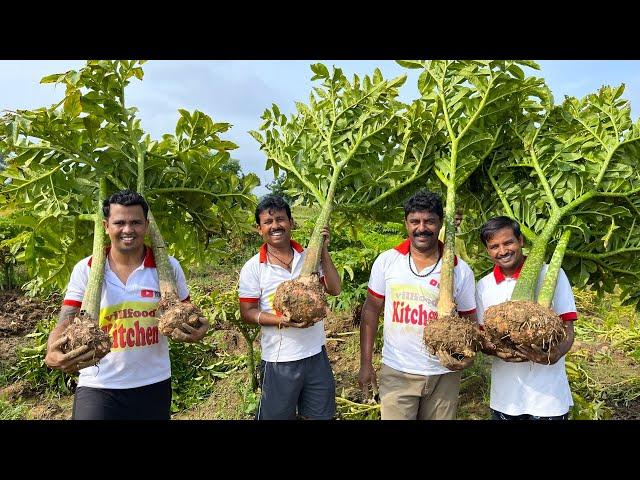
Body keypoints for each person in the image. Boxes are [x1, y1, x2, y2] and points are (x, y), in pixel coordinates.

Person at [44, 190, 209, 420]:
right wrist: (51, 349)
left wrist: (201, 327)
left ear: (147, 225)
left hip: (153, 382)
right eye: (119, 222)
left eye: (136, 222)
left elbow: (187, 313)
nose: (128, 230)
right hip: (98, 383)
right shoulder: (87, 268)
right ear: (106, 226)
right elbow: (67, 318)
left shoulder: (168, 267)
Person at [358, 190, 477, 420]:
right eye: (415, 221)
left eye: (429, 221)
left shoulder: (459, 269)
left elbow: (470, 320)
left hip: (444, 373)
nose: (421, 228)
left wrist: (468, 354)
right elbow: (371, 310)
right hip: (398, 371)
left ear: (441, 223)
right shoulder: (388, 261)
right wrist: (366, 364)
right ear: (406, 223)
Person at [238, 194, 341, 420]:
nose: (275, 226)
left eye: (281, 220)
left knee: (320, 416)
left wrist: (323, 250)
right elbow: (247, 312)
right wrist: (281, 321)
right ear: (259, 228)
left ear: (291, 223)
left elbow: (334, 289)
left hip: (316, 355)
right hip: (279, 360)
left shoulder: (309, 258)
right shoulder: (253, 267)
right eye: (268, 222)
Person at [476, 216, 577, 420]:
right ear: (488, 250)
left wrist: (555, 354)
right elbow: (482, 337)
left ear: (521, 240)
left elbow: (568, 328)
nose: (502, 251)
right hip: (505, 400)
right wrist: (497, 351)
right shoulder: (484, 285)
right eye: (494, 246)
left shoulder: (552, 274)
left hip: (549, 399)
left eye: (508, 242)